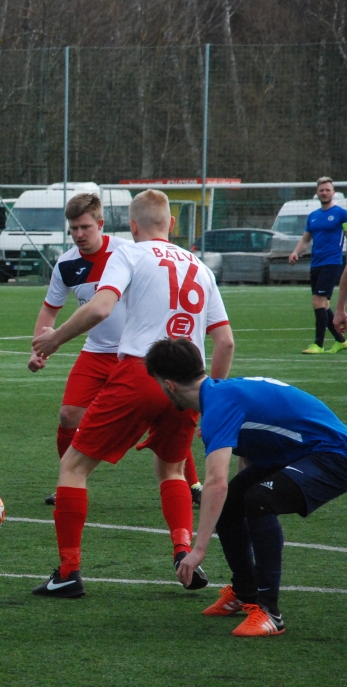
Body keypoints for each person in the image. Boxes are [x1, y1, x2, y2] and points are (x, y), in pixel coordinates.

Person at [30, 189, 235, 598]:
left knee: (73, 466)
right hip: (191, 383)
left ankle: (68, 571)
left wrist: (55, 341)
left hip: (141, 371)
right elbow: (226, 342)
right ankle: (183, 554)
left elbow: (101, 308)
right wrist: (211, 401)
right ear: (172, 225)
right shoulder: (200, 266)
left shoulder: (129, 253)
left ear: (133, 227)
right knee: (172, 471)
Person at [146, 337, 347, 637]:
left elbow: (214, 482)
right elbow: (257, 442)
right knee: (235, 504)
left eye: (159, 383)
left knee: (260, 499)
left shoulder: (217, 407)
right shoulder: (220, 392)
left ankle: (270, 612)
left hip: (332, 454)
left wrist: (198, 550)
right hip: (300, 450)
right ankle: (245, 592)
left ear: (170, 385)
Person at [33, 194, 203, 508]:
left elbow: (108, 306)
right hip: (96, 352)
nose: (80, 234)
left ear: (100, 224)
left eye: (85, 227)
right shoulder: (66, 263)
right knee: (69, 414)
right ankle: (67, 481)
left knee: (167, 412)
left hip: (138, 355)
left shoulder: (129, 252)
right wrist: (38, 350)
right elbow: (49, 310)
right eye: (73, 229)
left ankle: (191, 484)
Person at [288, 177, 347, 354]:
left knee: (318, 301)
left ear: (333, 192)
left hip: (332, 262)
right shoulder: (313, 216)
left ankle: (318, 345)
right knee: (323, 305)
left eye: (327, 190)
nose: (324, 193)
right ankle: (340, 340)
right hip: (316, 264)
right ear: (317, 193)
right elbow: (306, 238)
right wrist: (295, 252)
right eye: (321, 190)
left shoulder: (341, 214)